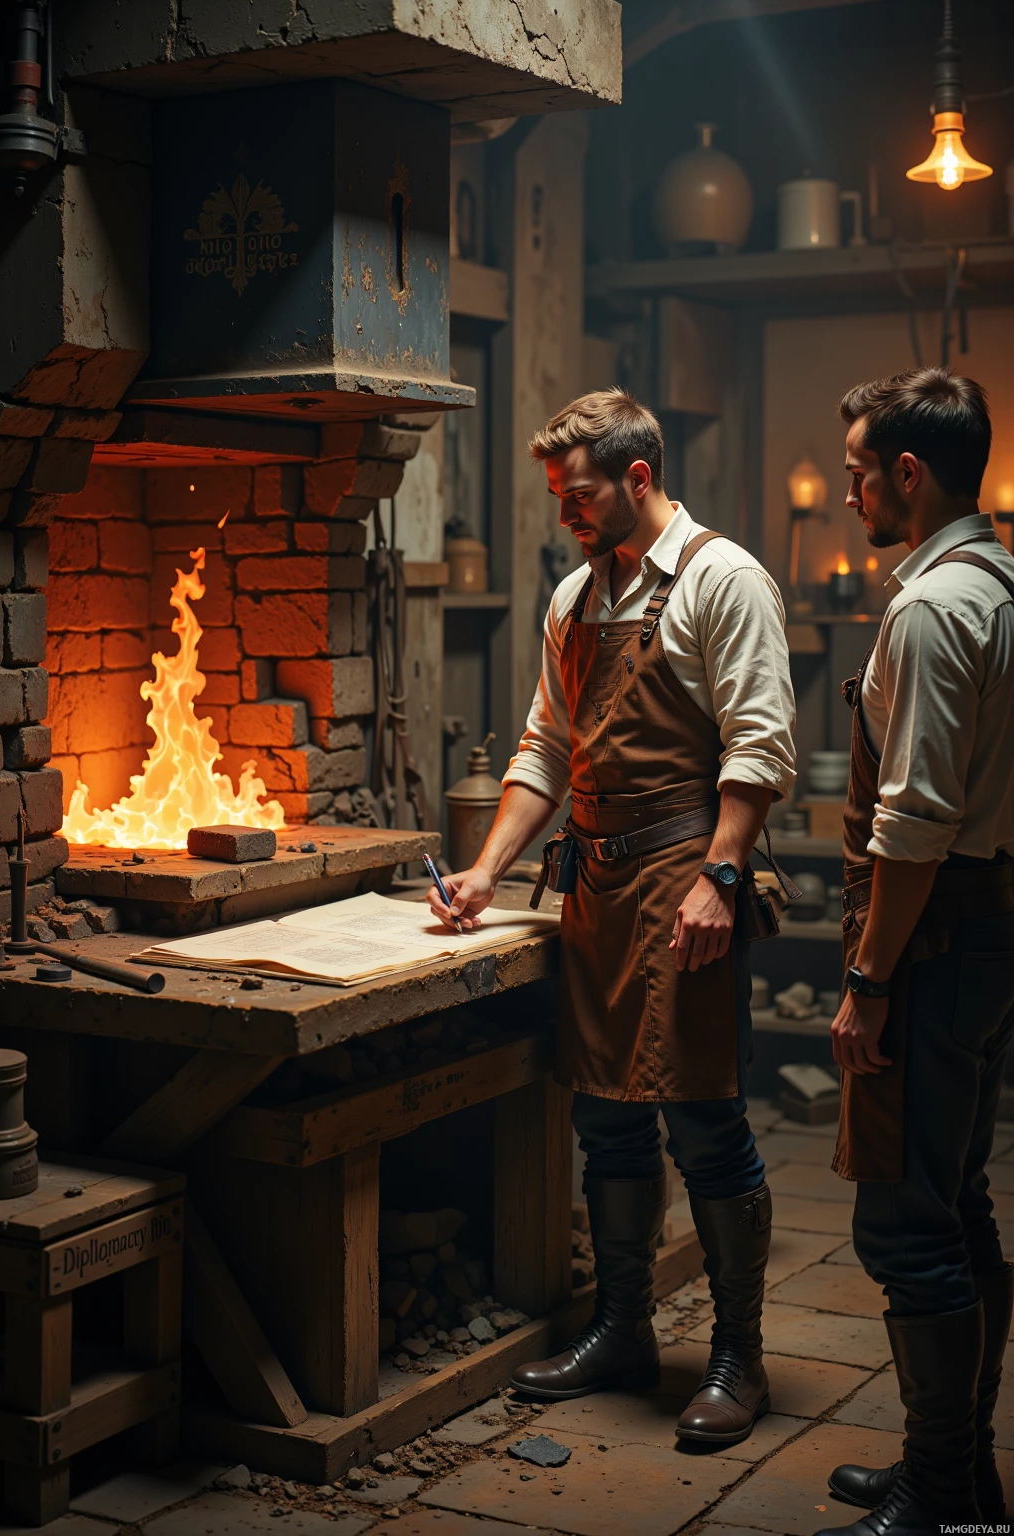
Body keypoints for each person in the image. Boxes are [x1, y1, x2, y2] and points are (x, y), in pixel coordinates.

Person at [426, 389, 796, 1445]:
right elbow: (545, 747)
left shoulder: (723, 581)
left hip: (685, 879)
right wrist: (486, 870)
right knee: (606, 1117)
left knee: (705, 1123)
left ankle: (739, 1358)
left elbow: (760, 743)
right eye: (556, 495)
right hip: (594, 887)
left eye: (578, 494)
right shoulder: (575, 598)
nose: (563, 514)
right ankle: (623, 1328)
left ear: (638, 478)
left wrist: (719, 876)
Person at [814, 369, 1014, 1536]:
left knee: (902, 1222)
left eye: (857, 474)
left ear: (907, 473)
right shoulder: (1000, 584)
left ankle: (938, 1492)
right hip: (985, 931)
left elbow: (916, 820)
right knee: (957, 1201)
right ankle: (962, 1476)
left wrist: (868, 981)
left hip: (933, 942)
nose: (848, 495)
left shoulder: (934, 609)